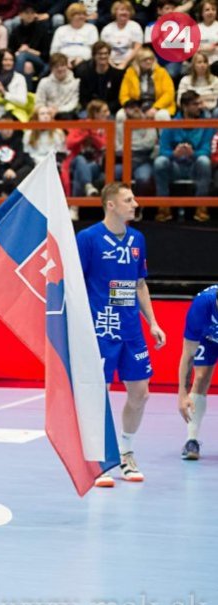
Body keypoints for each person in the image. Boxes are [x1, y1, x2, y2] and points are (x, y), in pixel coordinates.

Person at [76, 182, 166, 487]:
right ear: (110, 205)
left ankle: (126, 451)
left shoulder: (137, 239)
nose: (135, 203)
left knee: (140, 392)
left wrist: (152, 322)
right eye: (128, 200)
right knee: (97, 394)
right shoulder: (87, 239)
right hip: (100, 328)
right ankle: (100, 458)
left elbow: (140, 284)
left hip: (130, 329)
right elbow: (73, 284)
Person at [152, 90, 213, 222]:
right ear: (185, 106)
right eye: (195, 104)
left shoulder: (207, 123)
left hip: (194, 166)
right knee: (160, 162)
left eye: (200, 103)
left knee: (204, 161)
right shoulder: (172, 124)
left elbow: (206, 150)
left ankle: (201, 207)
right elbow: (163, 150)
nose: (200, 107)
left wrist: (193, 154)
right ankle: (163, 207)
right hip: (175, 166)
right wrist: (174, 154)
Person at [177, 284, 218, 461]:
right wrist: (182, 394)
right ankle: (191, 440)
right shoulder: (202, 305)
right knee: (200, 378)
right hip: (208, 337)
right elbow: (188, 354)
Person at [50, 3, 99, 68]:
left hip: (84, 61)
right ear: (71, 16)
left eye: (84, 14)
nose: (82, 17)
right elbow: (54, 51)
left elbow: (94, 50)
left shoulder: (91, 29)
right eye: (78, 14)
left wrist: (82, 59)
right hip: (62, 63)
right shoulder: (61, 30)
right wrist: (64, 61)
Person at [35, 53, 81, 120]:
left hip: (67, 114)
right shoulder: (44, 82)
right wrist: (47, 111)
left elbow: (73, 103)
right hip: (47, 113)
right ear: (51, 68)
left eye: (62, 65)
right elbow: (39, 102)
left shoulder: (76, 83)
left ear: (67, 66)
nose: (59, 69)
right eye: (56, 66)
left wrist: (58, 110)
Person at [100, 1, 143, 70]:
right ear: (115, 12)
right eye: (122, 10)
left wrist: (124, 63)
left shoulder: (135, 26)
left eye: (127, 10)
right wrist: (111, 64)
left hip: (130, 63)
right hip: (109, 63)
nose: (124, 12)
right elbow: (103, 49)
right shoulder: (107, 29)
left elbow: (137, 48)